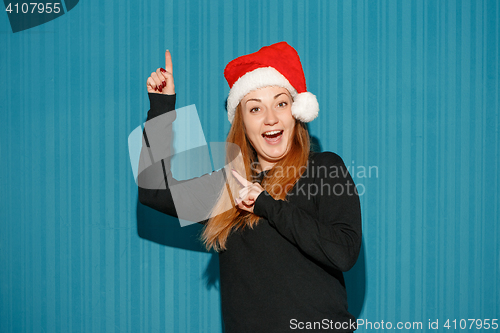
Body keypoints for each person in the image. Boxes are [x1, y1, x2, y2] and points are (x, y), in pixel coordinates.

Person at [138, 42, 362, 333]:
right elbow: (152, 191)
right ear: (242, 122)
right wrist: (161, 108)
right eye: (255, 108)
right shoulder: (229, 186)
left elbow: (343, 252)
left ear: (296, 112)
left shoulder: (324, 167)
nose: (271, 118)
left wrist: (266, 205)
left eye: (281, 103)